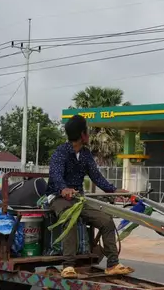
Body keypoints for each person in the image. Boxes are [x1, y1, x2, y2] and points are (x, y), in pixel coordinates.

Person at [46, 114, 135, 279]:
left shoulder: (86, 154)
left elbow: (97, 177)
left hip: (78, 199)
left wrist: (114, 190)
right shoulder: (61, 152)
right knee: (70, 217)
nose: (89, 134)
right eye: (87, 131)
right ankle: (68, 266)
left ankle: (113, 264)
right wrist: (63, 188)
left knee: (106, 220)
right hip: (58, 198)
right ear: (82, 134)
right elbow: (56, 174)